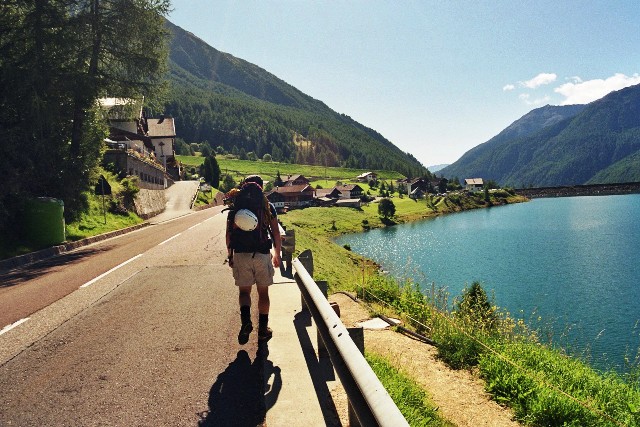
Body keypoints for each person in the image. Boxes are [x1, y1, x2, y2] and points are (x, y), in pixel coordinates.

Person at [226, 175, 282, 344]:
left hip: (241, 253)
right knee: (263, 293)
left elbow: (229, 234)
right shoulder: (267, 206)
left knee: (244, 292)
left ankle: (246, 322)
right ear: (261, 188)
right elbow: (276, 232)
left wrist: (230, 255)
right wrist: (277, 254)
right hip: (262, 253)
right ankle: (263, 330)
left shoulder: (237, 205)